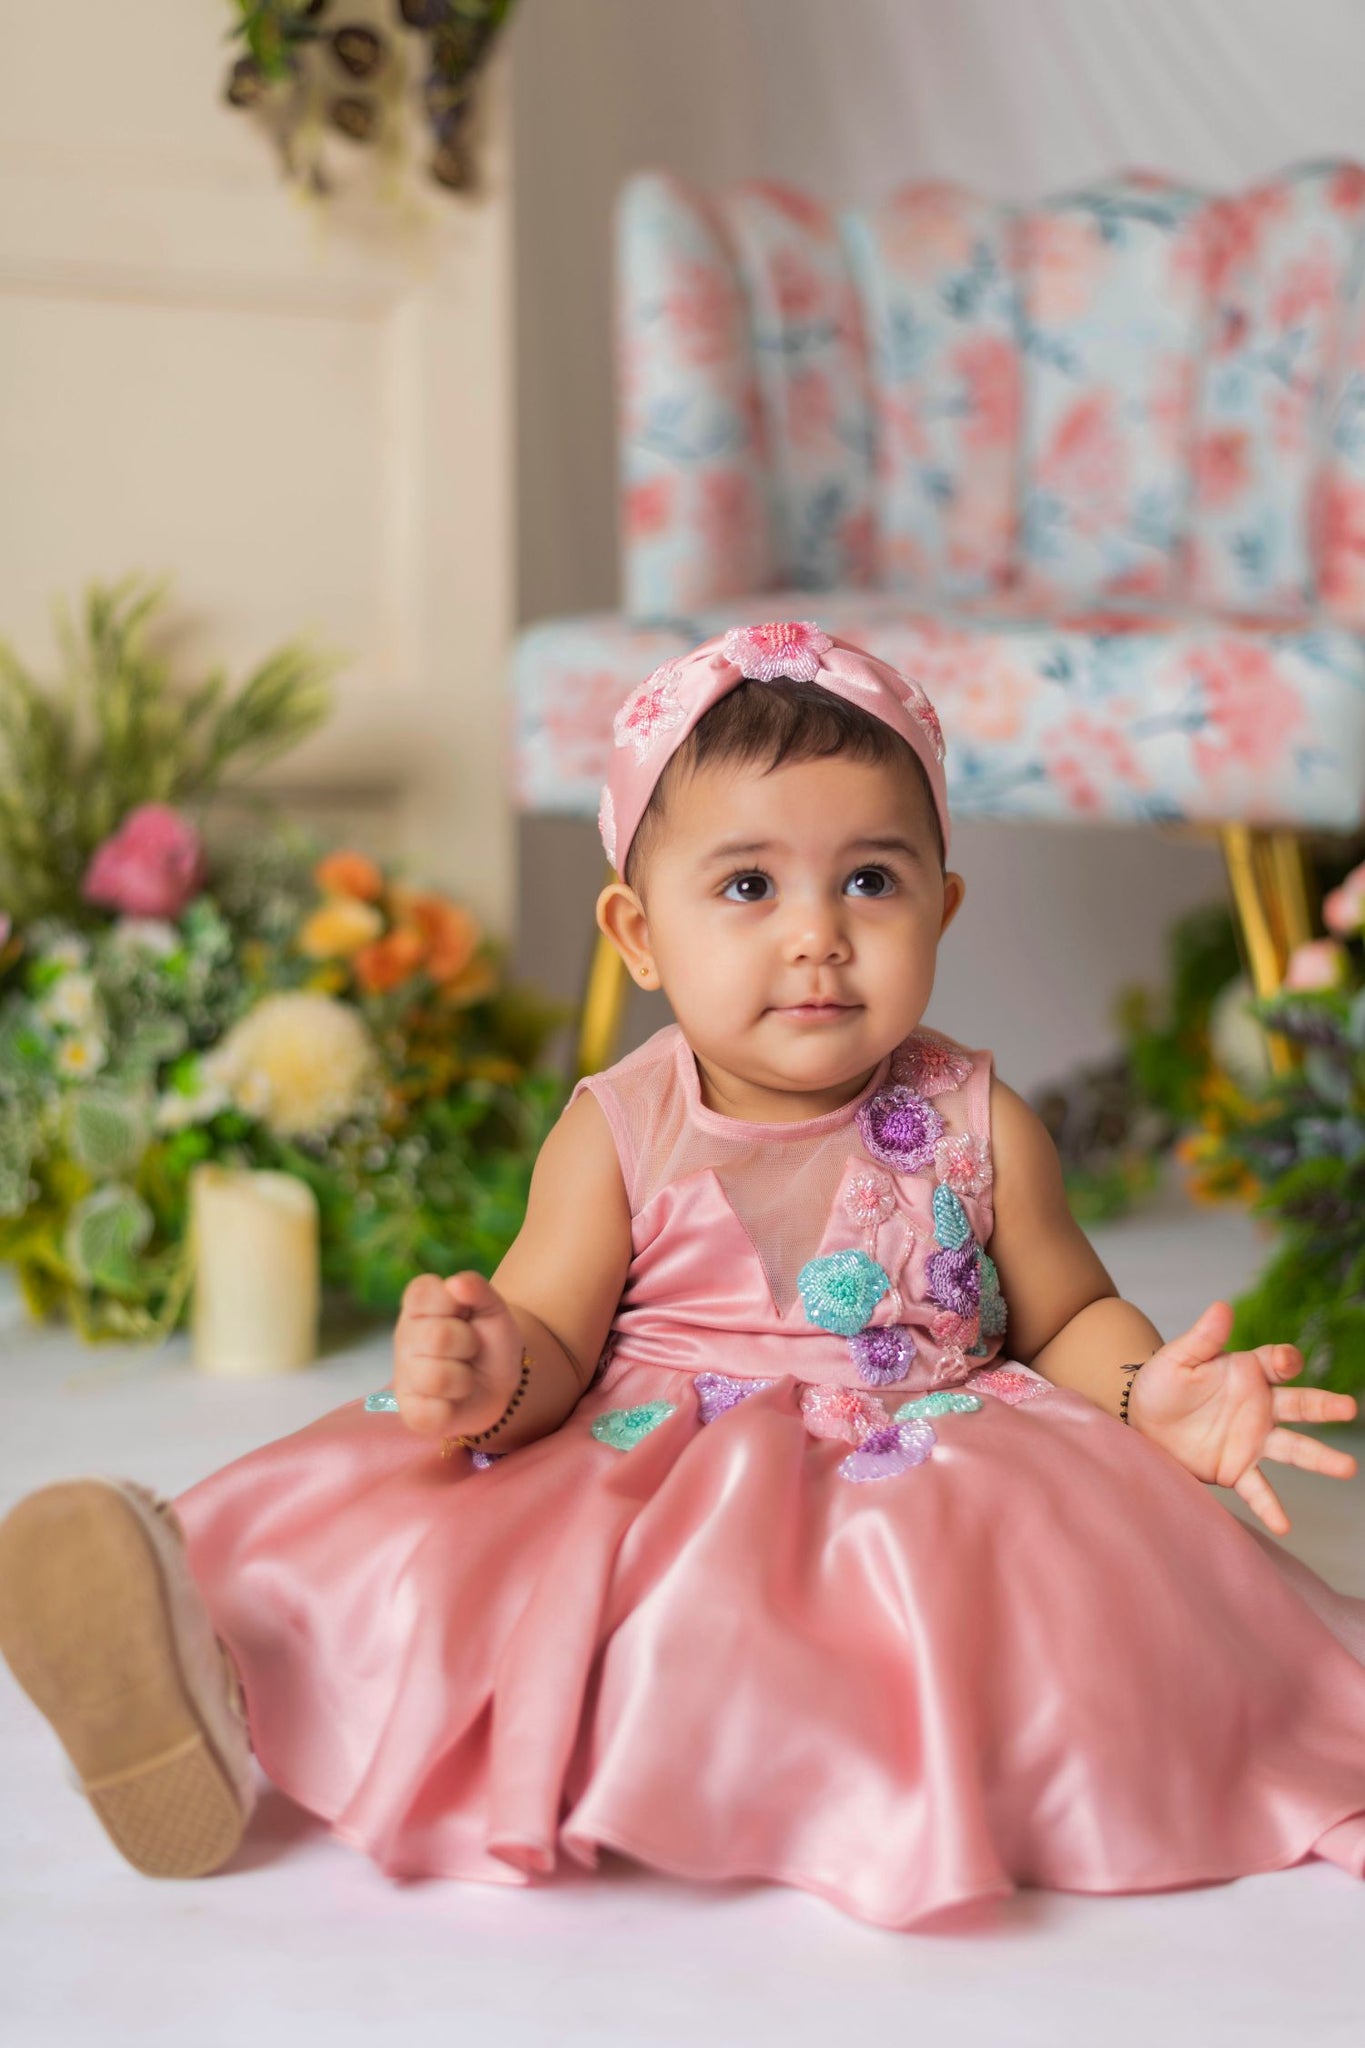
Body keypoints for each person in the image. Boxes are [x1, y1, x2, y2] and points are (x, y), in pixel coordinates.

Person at [4, 619, 1365, 1934]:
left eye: (871, 882)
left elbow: (1063, 1313)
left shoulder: (980, 1119)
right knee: (433, 1563)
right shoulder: (617, 1125)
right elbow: (547, 1323)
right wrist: (491, 1369)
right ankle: (199, 1673)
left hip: (930, 1465)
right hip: (657, 1461)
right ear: (637, 933)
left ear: (941, 908)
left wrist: (1148, 1395)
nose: (817, 934)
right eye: (747, 886)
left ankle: (871, 1786)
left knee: (1066, 1628)